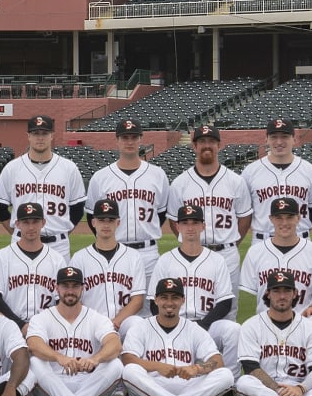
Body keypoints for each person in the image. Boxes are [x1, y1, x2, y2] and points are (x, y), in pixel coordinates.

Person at [148, 204, 242, 396]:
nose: (190, 227)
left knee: (233, 330)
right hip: (173, 324)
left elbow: (225, 302)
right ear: (178, 227)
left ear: (203, 226)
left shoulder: (217, 260)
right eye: (185, 223)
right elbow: (152, 302)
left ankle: (228, 390)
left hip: (206, 324)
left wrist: (203, 325)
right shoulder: (166, 260)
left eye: (195, 223)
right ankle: (159, 386)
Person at [119, 278, 232, 396]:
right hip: (152, 387)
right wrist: (158, 366)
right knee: (130, 371)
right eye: (164, 297)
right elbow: (128, 360)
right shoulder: (140, 328)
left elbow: (217, 361)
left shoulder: (193, 329)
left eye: (175, 298)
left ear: (183, 300)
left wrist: (197, 368)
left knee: (225, 375)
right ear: (156, 300)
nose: (169, 303)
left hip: (188, 387)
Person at [25, 267, 123, 396]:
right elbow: (33, 344)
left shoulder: (96, 318)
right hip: (53, 386)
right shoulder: (42, 318)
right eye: (65, 286)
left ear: (82, 288)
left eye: (75, 286)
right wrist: (59, 357)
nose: (70, 291)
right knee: (35, 362)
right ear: (56, 288)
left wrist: (95, 359)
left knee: (115, 364)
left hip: (89, 386)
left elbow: (115, 344)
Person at [165, 124, 252, 291]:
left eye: (211, 141)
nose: (207, 145)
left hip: (227, 253)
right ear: (194, 146)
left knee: (229, 309)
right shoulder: (180, 183)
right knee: (193, 303)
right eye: (202, 141)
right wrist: (189, 243)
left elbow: (244, 217)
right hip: (193, 253)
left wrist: (231, 242)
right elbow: (174, 221)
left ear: (219, 145)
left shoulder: (235, 181)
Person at [85, 118, 169, 283]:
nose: (129, 141)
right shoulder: (101, 177)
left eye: (134, 137)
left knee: (149, 306)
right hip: (115, 251)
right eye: (125, 137)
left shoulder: (157, 174)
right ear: (117, 140)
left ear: (140, 139)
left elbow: (162, 213)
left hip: (148, 253)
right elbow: (91, 217)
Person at [0, 115, 85, 261]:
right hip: (20, 243)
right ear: (28, 136)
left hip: (58, 246)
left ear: (52, 136)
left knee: (58, 284)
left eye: (44, 133)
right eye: (36, 134)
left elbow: (78, 207)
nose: (40, 138)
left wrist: (63, 233)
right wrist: (17, 231)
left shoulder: (68, 168)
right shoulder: (13, 168)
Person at [237, 198, 312, 334]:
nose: (284, 223)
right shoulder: (256, 252)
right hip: (267, 321)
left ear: (298, 218)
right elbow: (251, 292)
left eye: (289, 217)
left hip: (304, 319)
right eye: (279, 217)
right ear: (271, 219)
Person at [68, 199, 147, 335]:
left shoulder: (133, 256)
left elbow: (138, 300)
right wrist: (97, 324)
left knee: (137, 323)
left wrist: (115, 322)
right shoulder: (79, 258)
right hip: (90, 324)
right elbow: (74, 299)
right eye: (101, 220)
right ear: (93, 223)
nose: (106, 224)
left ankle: (130, 355)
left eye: (110, 220)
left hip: (123, 323)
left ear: (118, 223)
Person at [241, 118, 312, 246]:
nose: (279, 142)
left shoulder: (310, 171)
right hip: (262, 241)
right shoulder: (250, 172)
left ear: (294, 139)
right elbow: (245, 211)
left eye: (285, 137)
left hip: (301, 240)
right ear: (266, 139)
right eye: (274, 137)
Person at [0, 203, 66, 331]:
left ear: (43, 223)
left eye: (35, 221)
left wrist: (45, 325)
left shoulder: (57, 259)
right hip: (10, 327)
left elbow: (61, 300)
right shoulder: (2, 257)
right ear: (17, 224)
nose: (31, 227)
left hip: (47, 329)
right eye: (26, 222)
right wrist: (20, 325)